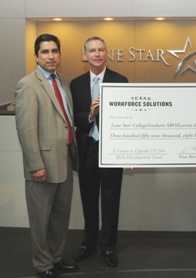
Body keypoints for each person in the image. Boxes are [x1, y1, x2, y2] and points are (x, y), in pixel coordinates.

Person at [15, 34, 79, 278]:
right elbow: (26, 129)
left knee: (59, 218)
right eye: (45, 52)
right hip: (42, 166)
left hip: (65, 161)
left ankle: (56, 258)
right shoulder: (28, 84)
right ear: (36, 56)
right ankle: (43, 265)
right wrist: (35, 165)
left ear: (59, 54)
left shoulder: (63, 80)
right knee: (40, 220)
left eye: (54, 51)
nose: (51, 56)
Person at [70, 36, 128, 267]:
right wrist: (91, 116)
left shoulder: (120, 80)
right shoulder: (76, 83)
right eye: (92, 50)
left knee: (111, 200)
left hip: (111, 150)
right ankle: (89, 243)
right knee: (89, 199)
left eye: (101, 49)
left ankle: (108, 246)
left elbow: (128, 117)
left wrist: (127, 151)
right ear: (85, 55)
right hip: (87, 149)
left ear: (107, 53)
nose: (97, 54)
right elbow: (72, 116)